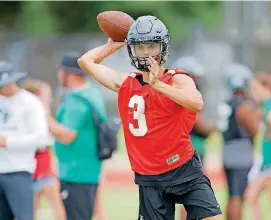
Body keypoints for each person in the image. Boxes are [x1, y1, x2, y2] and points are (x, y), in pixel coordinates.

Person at [78, 15, 222, 220]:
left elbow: (196, 102)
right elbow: (85, 61)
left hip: (183, 167)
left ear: (163, 48)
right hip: (150, 176)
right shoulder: (125, 82)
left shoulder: (176, 78)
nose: (146, 53)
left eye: (152, 46)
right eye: (140, 47)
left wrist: (159, 85)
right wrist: (113, 45)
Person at [48, 53, 107, 220]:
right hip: (87, 170)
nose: (59, 75)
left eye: (61, 71)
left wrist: (43, 115)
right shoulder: (91, 93)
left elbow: (67, 136)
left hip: (76, 172)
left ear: (70, 73)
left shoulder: (77, 101)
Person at [0, 61, 49, 220]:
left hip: (19, 170)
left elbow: (41, 139)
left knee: (24, 216)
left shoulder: (30, 103)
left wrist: (8, 142)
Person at [173, 56, 217, 220]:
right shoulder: (185, 98)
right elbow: (202, 127)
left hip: (188, 148)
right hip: (191, 149)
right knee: (191, 194)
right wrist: (214, 126)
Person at [217, 64, 259, 220]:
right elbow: (254, 130)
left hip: (227, 151)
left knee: (231, 194)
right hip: (241, 153)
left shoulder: (227, 103)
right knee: (237, 195)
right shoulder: (244, 105)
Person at [22, 79, 66, 220]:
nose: (50, 99)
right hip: (30, 172)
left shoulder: (44, 115)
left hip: (45, 172)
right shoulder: (29, 116)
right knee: (30, 211)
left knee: (58, 207)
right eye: (47, 96)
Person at [245, 74, 271, 220]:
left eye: (255, 88)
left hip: (270, 163)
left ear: (266, 87)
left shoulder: (269, 105)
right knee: (251, 197)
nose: (253, 92)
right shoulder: (264, 106)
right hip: (264, 161)